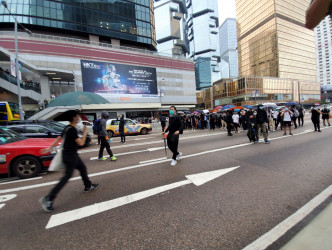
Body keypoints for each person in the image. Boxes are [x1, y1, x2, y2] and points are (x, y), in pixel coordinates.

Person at [39, 110, 99, 212]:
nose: (78, 117)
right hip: (70, 156)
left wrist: (50, 148)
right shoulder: (71, 129)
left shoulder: (67, 128)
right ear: (73, 118)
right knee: (67, 177)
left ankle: (88, 185)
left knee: (82, 168)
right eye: (77, 116)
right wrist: (85, 133)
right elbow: (80, 143)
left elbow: (59, 138)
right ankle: (49, 198)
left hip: (71, 154)